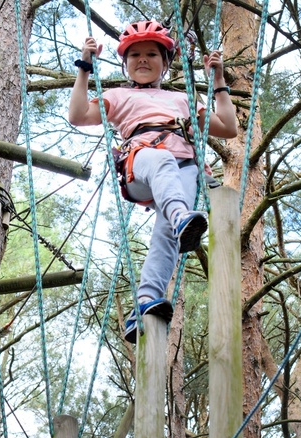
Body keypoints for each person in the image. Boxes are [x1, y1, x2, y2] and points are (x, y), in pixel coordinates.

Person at [69, 20, 238, 342]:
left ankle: (143, 306)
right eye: (135, 55)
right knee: (161, 164)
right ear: (125, 63)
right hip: (142, 163)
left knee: (166, 235)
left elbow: (227, 127)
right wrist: (85, 67)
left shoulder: (182, 101)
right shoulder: (117, 95)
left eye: (151, 54)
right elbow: (78, 115)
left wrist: (217, 79)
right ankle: (180, 219)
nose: (143, 60)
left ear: (165, 63)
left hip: (186, 168)